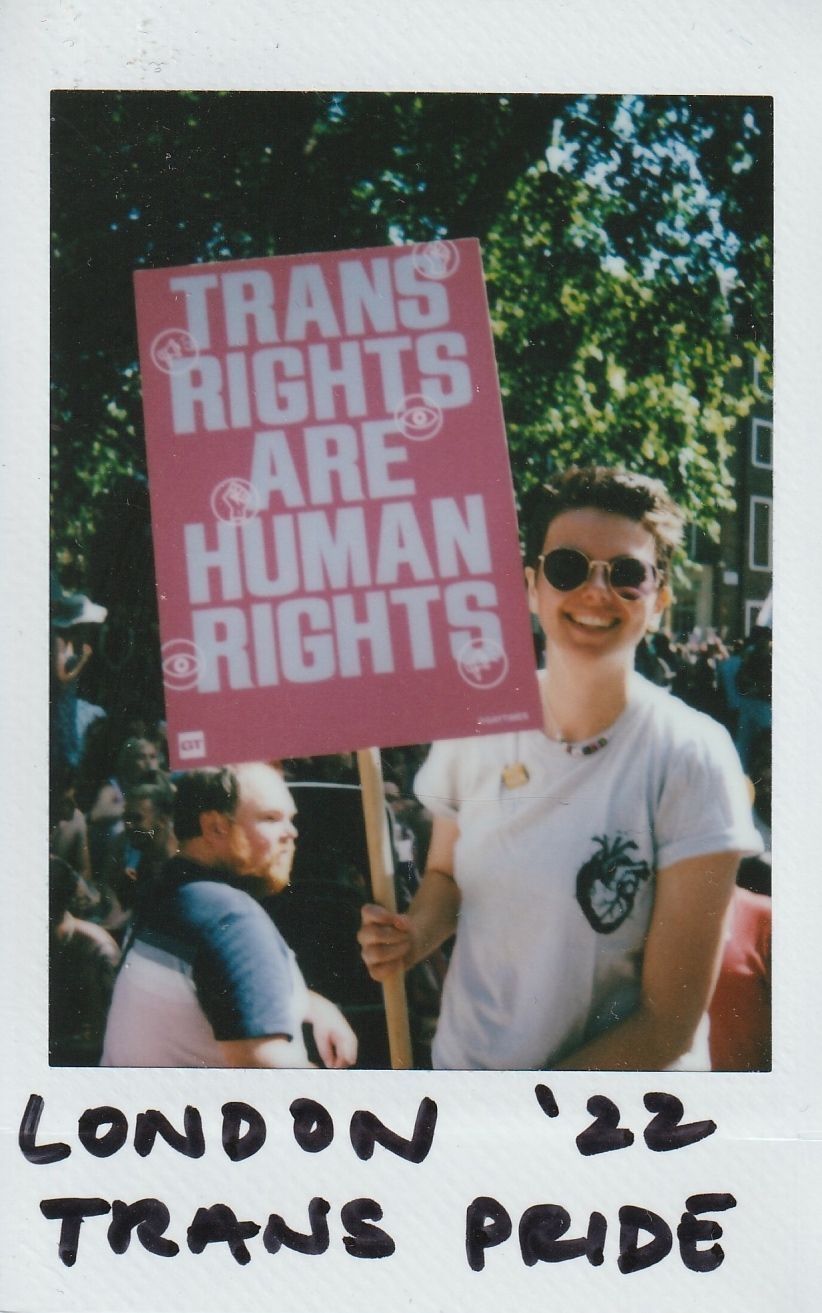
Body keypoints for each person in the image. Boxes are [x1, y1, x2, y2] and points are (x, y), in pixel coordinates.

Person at [359, 467, 762, 1070]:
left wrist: (527, 1123)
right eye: (569, 568)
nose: (596, 592)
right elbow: (446, 877)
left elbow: (668, 1026)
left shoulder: (692, 757)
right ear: (532, 587)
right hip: (468, 1085)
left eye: (626, 574)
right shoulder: (479, 724)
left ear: (660, 599)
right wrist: (413, 935)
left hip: (605, 1123)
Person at [101, 762, 357, 1068]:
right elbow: (269, 1077)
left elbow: (207, 994)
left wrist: (314, 1006)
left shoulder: (171, 894)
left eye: (291, 819)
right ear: (215, 827)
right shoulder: (231, 920)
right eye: (271, 818)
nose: (292, 832)